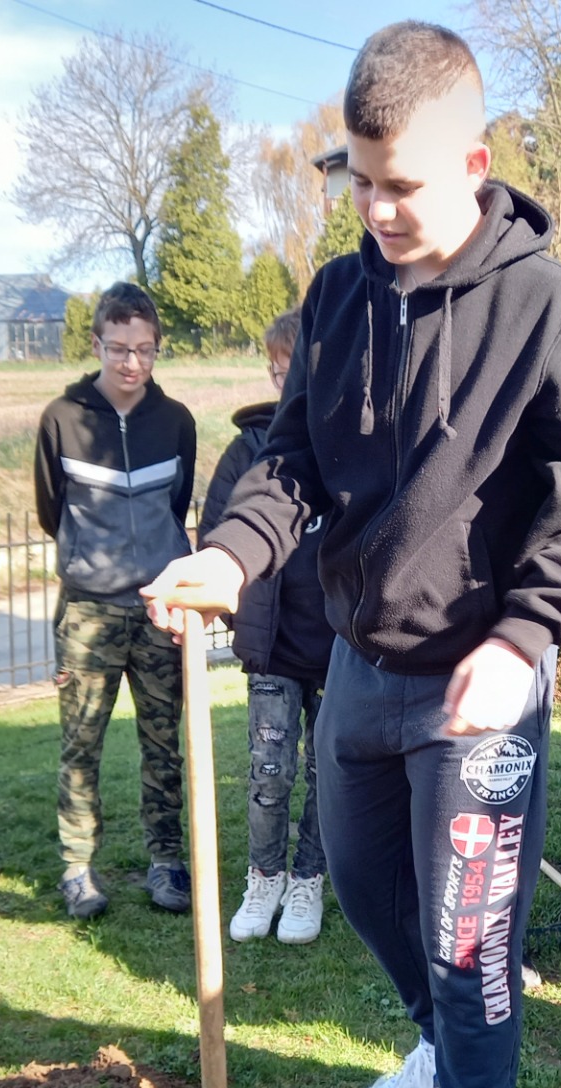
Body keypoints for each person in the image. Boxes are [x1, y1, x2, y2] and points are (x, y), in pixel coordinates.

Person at [141, 21, 561, 1088]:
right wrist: (232, 554)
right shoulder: (340, 296)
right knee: (367, 893)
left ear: (474, 161)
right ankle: (434, 1048)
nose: (375, 207)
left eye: (400, 184)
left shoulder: (555, 309)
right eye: (357, 180)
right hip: (359, 669)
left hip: (479, 688)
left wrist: (528, 638)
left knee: (472, 937)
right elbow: (293, 464)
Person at [34, 282, 197, 919]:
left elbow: (174, 508)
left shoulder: (176, 421)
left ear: (157, 350)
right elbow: (54, 509)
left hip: (159, 611)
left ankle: (167, 863)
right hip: (88, 615)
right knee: (81, 745)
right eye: (120, 349)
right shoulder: (61, 418)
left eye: (146, 350)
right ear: (97, 344)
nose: (132, 363)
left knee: (164, 746)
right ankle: (78, 868)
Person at [199, 309, 334, 945]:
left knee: (325, 777)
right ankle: (265, 879)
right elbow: (214, 537)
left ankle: (308, 883)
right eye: (276, 370)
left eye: (294, 371)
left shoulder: (343, 443)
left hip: (338, 651)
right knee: (268, 773)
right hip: (273, 650)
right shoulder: (248, 449)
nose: (283, 382)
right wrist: (239, 610)